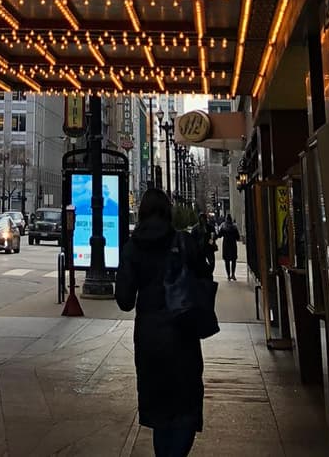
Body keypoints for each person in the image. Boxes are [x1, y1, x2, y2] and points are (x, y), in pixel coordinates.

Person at [115, 185, 208, 457]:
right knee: (185, 408)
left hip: (149, 339)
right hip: (183, 335)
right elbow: (205, 278)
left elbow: (124, 300)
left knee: (160, 415)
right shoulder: (183, 241)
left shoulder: (133, 247)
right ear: (168, 211)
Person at [219, 214, 240, 281]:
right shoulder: (234, 227)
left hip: (226, 245)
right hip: (233, 245)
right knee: (233, 260)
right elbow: (238, 237)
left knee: (227, 261)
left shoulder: (223, 226)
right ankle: (233, 274)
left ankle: (228, 275)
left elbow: (219, 235)